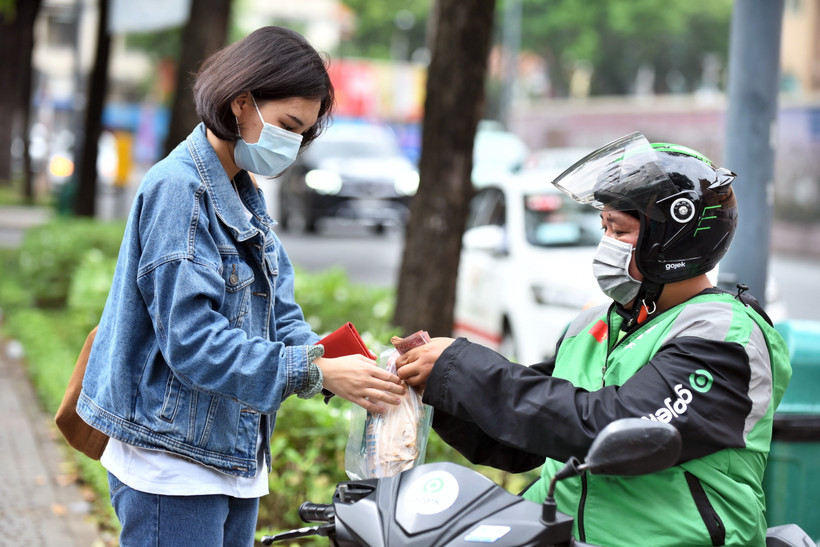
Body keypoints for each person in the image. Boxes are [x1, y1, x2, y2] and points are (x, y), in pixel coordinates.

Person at [77, 26, 404, 546]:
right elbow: (192, 343)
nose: (292, 146)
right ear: (240, 103)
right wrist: (316, 371)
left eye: (303, 134)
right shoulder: (178, 191)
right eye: (287, 125)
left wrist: (357, 366)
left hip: (233, 457)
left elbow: (280, 317)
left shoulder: (243, 192)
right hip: (173, 463)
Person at [395, 132, 792, 547]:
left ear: (671, 239)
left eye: (619, 231)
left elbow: (614, 428)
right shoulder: (594, 323)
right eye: (603, 228)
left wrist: (461, 367)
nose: (606, 246)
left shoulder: (724, 336)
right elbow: (529, 436)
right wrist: (435, 389)